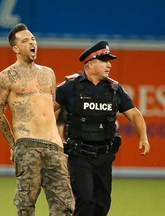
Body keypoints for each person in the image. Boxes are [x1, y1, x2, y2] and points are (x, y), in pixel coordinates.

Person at [55, 41, 150, 216]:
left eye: (109, 61)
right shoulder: (70, 86)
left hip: (105, 155)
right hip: (79, 154)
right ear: (90, 64)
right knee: (86, 198)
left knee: (102, 203)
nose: (109, 65)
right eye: (104, 60)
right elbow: (45, 110)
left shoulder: (114, 89)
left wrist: (143, 136)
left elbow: (134, 114)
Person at [0, 23, 74, 215]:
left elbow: (49, 107)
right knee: (26, 206)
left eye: (33, 39)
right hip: (27, 144)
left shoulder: (49, 73)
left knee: (64, 205)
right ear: (15, 48)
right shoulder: (5, 77)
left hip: (54, 146)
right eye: (25, 40)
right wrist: (13, 143)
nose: (32, 43)